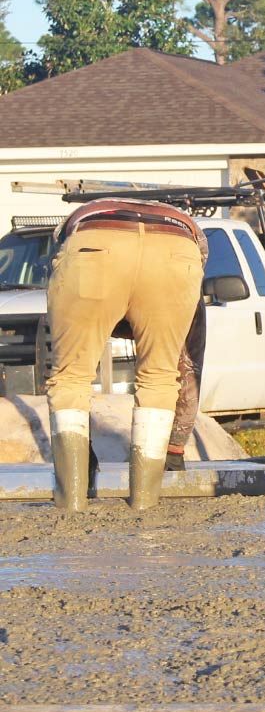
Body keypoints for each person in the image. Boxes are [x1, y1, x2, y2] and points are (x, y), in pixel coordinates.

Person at [46, 198, 206, 512]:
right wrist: (175, 445)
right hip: (178, 251)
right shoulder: (194, 254)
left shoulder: (77, 228)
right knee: (160, 378)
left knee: (71, 379)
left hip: (94, 244)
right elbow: (190, 361)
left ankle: (73, 503)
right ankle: (145, 504)